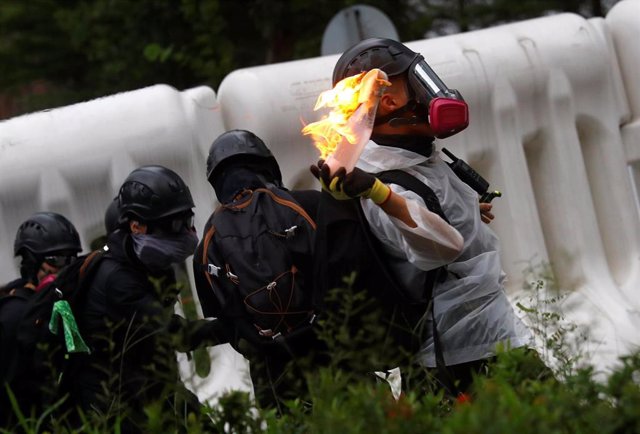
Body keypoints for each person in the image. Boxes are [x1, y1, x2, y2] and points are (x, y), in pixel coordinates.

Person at [311, 37, 532, 396]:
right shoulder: (381, 183)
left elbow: (436, 212)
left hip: (483, 332)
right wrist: (379, 194)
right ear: (388, 100)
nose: (432, 92)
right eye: (416, 81)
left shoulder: (414, 156)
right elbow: (442, 249)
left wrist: (465, 213)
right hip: (462, 349)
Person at [67, 165, 221, 432]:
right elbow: (172, 335)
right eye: (174, 224)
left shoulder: (146, 268)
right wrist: (234, 325)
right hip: (119, 410)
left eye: (187, 222)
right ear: (136, 226)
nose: (185, 233)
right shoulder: (117, 280)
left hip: (151, 391)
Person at [193, 129, 325, 414]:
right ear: (268, 165)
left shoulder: (208, 242)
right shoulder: (309, 204)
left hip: (274, 377)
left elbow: (229, 323)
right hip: (334, 355)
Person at [0, 212, 82, 426]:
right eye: (56, 260)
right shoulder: (14, 314)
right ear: (31, 262)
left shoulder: (61, 306)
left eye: (72, 260)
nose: (66, 268)